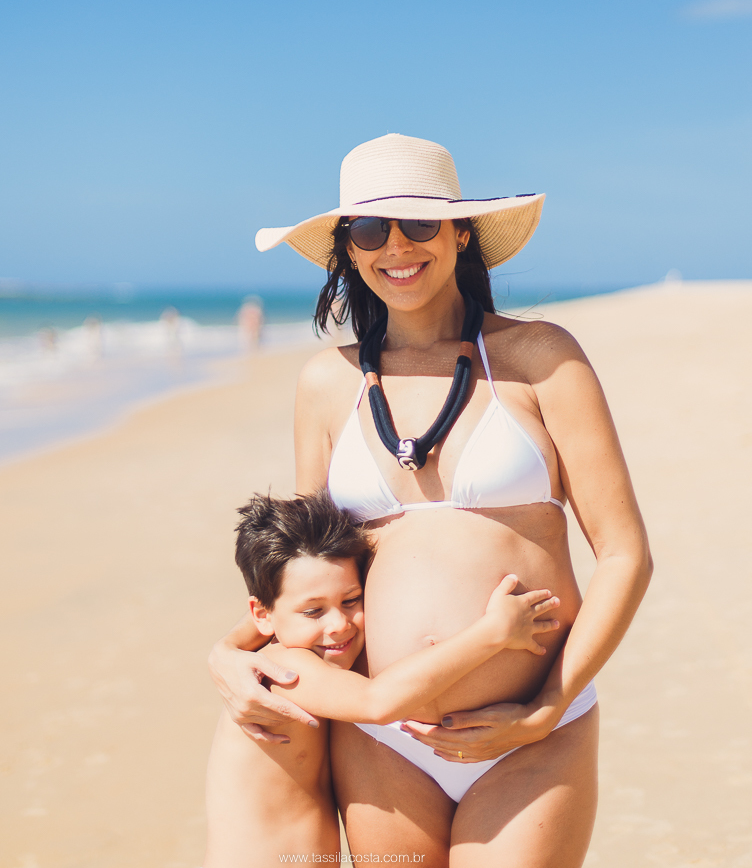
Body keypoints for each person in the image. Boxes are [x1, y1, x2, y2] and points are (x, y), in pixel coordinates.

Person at [210, 133, 653, 867]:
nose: (396, 246)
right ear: (348, 249)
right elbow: (307, 568)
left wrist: (544, 708)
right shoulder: (328, 383)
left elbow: (625, 553)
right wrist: (230, 651)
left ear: (459, 232)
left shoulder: (542, 358)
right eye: (370, 229)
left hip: (534, 732)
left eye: (419, 223)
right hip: (383, 741)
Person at [203, 489, 561, 867]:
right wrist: (492, 632)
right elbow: (377, 702)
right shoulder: (281, 670)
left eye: (351, 600)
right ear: (261, 615)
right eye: (313, 612)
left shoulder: (313, 663)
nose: (338, 625)